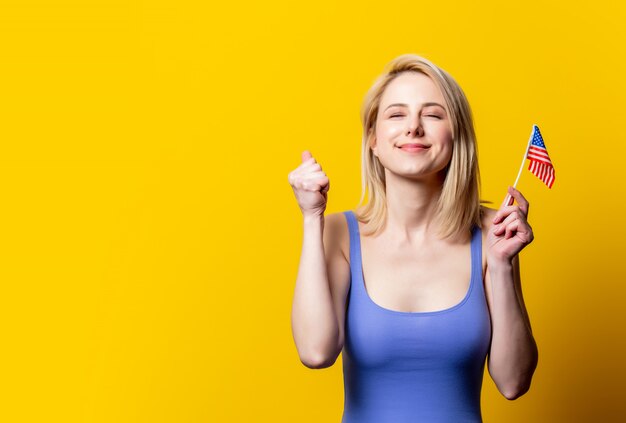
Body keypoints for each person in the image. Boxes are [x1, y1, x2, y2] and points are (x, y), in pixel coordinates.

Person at [288, 53, 538, 422]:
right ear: (373, 138)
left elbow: (513, 382)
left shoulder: (492, 231)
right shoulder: (339, 232)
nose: (414, 128)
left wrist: (502, 266)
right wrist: (312, 218)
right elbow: (315, 352)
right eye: (396, 114)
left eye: (433, 114)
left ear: (457, 136)